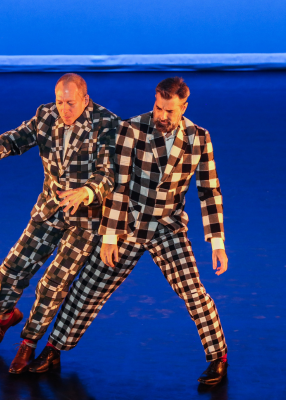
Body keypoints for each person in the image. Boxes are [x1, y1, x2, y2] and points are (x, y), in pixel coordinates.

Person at [30, 77, 230, 385]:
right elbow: (119, 186)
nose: (162, 115)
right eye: (158, 108)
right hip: (129, 223)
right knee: (88, 288)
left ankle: (219, 357)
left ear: (184, 107)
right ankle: (53, 349)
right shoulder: (132, 129)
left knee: (193, 291)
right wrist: (110, 237)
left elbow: (209, 191)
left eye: (170, 111)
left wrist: (217, 243)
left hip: (167, 226)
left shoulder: (199, 137)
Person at [0, 73, 118, 374]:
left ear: (85, 99)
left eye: (71, 103)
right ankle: (6, 316)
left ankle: (28, 343)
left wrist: (87, 191)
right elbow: (15, 139)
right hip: (50, 209)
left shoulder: (107, 123)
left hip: (86, 219)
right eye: (60, 102)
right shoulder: (46, 115)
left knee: (52, 284)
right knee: (10, 269)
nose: (64, 109)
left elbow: (110, 174)